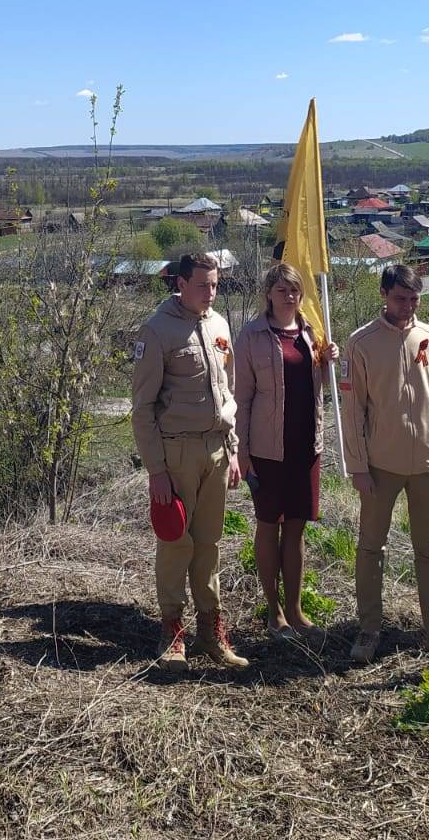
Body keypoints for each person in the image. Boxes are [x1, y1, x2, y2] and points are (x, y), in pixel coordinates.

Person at [340, 262, 429, 665]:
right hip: (380, 464)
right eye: (400, 298)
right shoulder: (362, 343)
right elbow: (352, 410)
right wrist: (358, 466)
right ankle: (369, 629)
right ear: (384, 295)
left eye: (414, 299)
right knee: (371, 547)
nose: (408, 307)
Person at [131, 251, 247, 672]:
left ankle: (211, 631)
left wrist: (232, 450)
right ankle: (172, 633)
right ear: (180, 283)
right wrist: (157, 471)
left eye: (215, 285)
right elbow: (142, 409)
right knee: (176, 543)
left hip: (215, 451)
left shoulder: (218, 324)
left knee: (209, 545)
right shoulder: (157, 330)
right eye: (202, 285)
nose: (210, 293)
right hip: (176, 454)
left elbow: (228, 392)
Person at [234, 261, 338, 639]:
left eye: (294, 291)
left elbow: (318, 389)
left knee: (295, 530)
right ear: (269, 294)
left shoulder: (311, 334)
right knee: (268, 527)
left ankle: (296, 610)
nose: (290, 297)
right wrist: (241, 452)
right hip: (266, 450)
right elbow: (241, 398)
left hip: (305, 448)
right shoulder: (252, 336)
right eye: (282, 291)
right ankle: (273, 612)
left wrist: (327, 364)